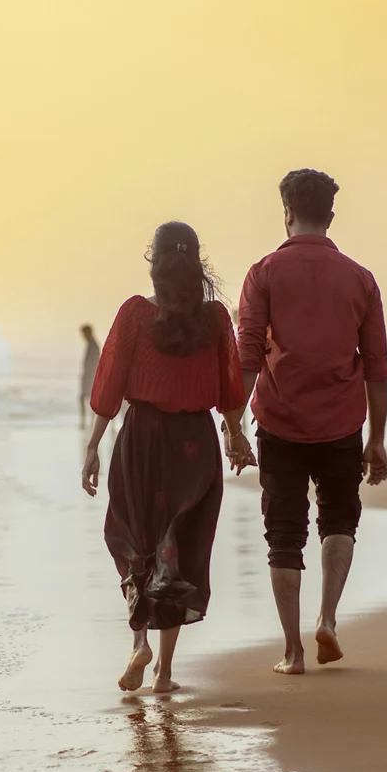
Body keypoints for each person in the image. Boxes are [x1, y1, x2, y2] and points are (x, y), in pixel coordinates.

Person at [82, 221, 254, 694]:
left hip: (142, 439)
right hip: (193, 443)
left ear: (154, 263)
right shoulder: (217, 319)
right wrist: (236, 435)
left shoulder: (136, 315)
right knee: (180, 549)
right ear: (196, 264)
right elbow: (230, 390)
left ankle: (140, 642)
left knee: (138, 540)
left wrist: (93, 445)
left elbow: (109, 383)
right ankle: (165, 674)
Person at [236, 169, 387, 675]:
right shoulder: (360, 278)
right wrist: (378, 440)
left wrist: (233, 422)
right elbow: (376, 366)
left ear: (287, 213)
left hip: (279, 421)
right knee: (339, 520)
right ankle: (327, 617)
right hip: (343, 422)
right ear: (330, 214)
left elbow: (248, 353)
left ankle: (292, 651)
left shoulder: (263, 273)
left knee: (283, 534)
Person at [79, 324, 101, 429]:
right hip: (90, 376)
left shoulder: (93, 345)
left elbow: (93, 362)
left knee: (86, 398)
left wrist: (88, 376)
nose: (83, 336)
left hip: (91, 376)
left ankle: (86, 422)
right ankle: (87, 421)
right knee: (87, 399)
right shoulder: (92, 344)